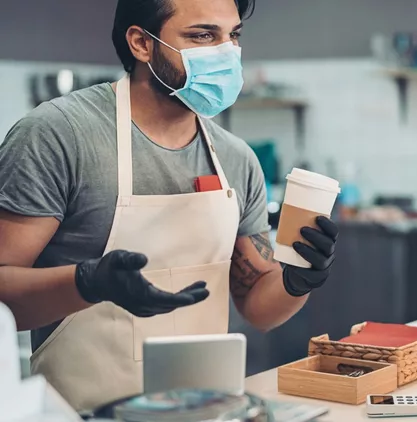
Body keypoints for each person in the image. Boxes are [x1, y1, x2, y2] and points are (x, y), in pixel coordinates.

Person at [0, 0, 338, 411]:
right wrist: (87, 283)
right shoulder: (59, 136)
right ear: (142, 43)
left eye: (233, 36)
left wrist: (298, 279)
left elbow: (258, 304)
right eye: (203, 36)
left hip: (208, 410)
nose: (227, 52)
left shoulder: (235, 157)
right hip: (80, 411)